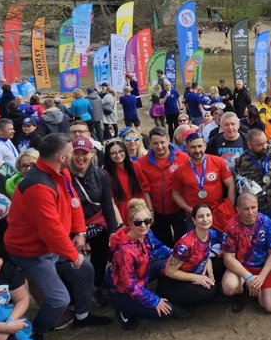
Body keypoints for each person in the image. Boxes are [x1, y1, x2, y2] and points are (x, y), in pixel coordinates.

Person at [4, 133, 111, 340]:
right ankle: (36, 332)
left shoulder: (62, 173)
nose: (74, 155)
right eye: (71, 152)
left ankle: (82, 316)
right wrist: (73, 255)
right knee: (58, 299)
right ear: (62, 157)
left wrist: (79, 231)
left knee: (85, 270)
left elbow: (74, 203)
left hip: (52, 245)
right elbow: (50, 230)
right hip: (32, 251)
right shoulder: (38, 186)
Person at [108, 198, 190, 328]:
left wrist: (180, 257)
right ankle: (123, 309)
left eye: (147, 221)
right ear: (130, 223)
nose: (143, 225)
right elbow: (131, 286)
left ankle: (156, 294)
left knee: (168, 264)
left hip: (141, 275)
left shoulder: (146, 233)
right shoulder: (125, 252)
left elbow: (159, 248)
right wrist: (155, 301)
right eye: (138, 222)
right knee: (166, 311)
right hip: (123, 292)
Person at [69, 136, 120, 302]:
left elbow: (107, 203)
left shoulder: (100, 175)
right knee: (74, 260)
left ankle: (97, 286)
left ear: (92, 154)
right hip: (73, 226)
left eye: (84, 153)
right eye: (76, 153)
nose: (80, 157)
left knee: (100, 257)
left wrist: (113, 230)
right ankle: (75, 293)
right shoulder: (65, 176)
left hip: (97, 222)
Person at [222, 193, 271, 313]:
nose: (251, 212)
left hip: (262, 267)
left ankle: (256, 289)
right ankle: (240, 292)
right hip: (241, 267)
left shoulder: (267, 222)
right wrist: (248, 277)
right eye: (246, 209)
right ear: (238, 209)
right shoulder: (231, 226)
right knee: (229, 287)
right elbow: (228, 258)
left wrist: (262, 276)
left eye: (253, 207)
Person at [158, 203, 223, 309]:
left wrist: (208, 260)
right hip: (174, 281)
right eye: (200, 216)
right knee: (210, 292)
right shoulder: (185, 245)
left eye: (208, 215)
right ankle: (177, 304)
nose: (205, 219)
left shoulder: (211, 234)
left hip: (193, 270)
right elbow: (169, 272)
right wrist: (197, 278)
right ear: (194, 220)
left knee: (220, 263)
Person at [136, 127, 190, 246]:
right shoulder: (142, 162)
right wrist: (150, 211)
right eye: (155, 143)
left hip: (179, 210)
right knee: (163, 245)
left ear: (168, 140)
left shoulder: (183, 158)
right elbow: (144, 189)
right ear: (150, 143)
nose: (159, 146)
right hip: (157, 212)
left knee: (182, 243)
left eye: (162, 142)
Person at [173, 131, 236, 232]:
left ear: (205, 146)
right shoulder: (180, 170)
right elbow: (176, 194)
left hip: (218, 214)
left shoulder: (218, 161)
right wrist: (191, 210)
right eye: (193, 147)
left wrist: (229, 206)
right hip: (194, 217)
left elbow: (231, 184)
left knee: (221, 241)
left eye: (200, 146)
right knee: (197, 242)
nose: (197, 150)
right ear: (187, 148)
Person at [102, 138, 151, 225]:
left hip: (140, 208)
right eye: (113, 153)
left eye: (120, 151)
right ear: (108, 155)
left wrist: (150, 210)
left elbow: (144, 189)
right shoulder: (106, 173)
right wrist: (120, 223)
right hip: (121, 212)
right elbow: (111, 200)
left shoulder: (135, 166)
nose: (118, 155)